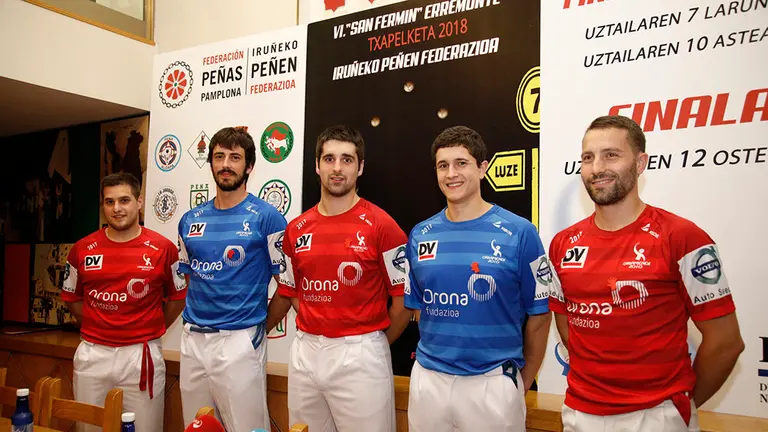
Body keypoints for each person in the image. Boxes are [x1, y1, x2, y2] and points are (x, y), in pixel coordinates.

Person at [548, 115, 745, 432]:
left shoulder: (683, 237)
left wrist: (680, 406)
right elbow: (567, 325)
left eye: (611, 155)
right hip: (579, 413)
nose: (597, 168)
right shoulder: (562, 243)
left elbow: (726, 342)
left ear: (640, 164)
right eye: (588, 158)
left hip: (655, 417)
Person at [403, 126, 552, 432]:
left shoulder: (521, 232)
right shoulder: (420, 234)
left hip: (492, 383)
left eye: (461, 163)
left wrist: (520, 382)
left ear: (483, 168)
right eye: (443, 165)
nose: (451, 174)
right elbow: (418, 308)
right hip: (429, 381)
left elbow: (540, 315)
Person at [266, 125, 412, 432]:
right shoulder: (296, 228)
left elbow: (403, 303)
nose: (337, 168)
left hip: (361, 353)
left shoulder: (382, 226)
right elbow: (292, 289)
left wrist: (372, 346)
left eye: (347, 159)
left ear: (360, 168)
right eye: (329, 158)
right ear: (317, 166)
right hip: (306, 352)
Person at [176, 127, 287, 432]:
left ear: (248, 166)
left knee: (247, 428)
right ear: (211, 163)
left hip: (239, 340)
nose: (226, 164)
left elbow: (287, 287)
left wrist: (257, 327)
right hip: (193, 339)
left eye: (235, 157)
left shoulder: (267, 218)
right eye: (219, 156)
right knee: (198, 426)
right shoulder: (189, 220)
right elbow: (190, 280)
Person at [62, 172, 187, 432]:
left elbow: (178, 297)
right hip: (93, 353)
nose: (117, 209)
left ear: (139, 202)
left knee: (145, 428)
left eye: (124, 200)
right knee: (89, 428)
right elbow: (72, 298)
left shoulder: (164, 248)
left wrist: (150, 326)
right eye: (109, 202)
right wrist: (100, 325)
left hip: (140, 355)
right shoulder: (82, 249)